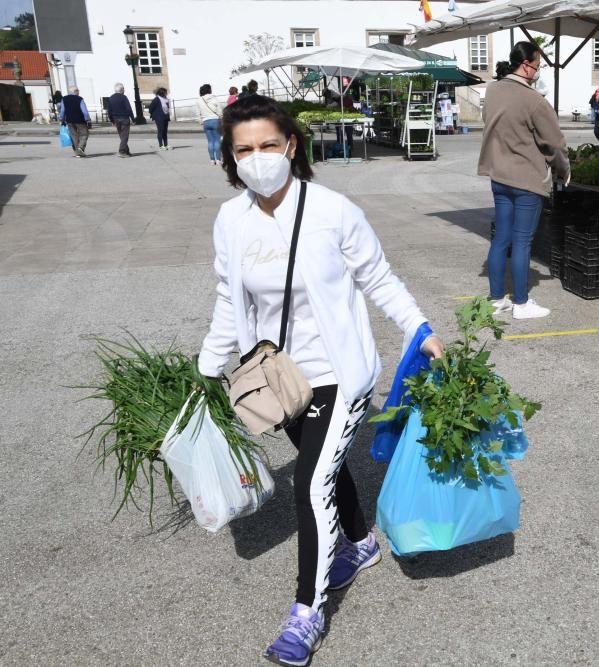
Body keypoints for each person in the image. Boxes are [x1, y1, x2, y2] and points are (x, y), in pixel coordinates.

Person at [197, 96, 444, 667]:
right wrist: (209, 365)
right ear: (230, 159)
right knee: (322, 469)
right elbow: (226, 300)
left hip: (338, 372)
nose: (258, 158)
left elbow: (377, 277)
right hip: (278, 379)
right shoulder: (231, 220)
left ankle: (306, 611)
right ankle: (358, 544)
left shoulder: (333, 210)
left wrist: (419, 328)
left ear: (290, 145)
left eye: (267, 145)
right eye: (243, 150)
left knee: (309, 485)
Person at [479, 41, 570, 320]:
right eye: (538, 65)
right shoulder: (534, 100)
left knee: (501, 239)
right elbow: (554, 144)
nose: (538, 70)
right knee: (521, 242)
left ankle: (496, 300)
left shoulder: (492, 90)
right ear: (527, 66)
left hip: (498, 174)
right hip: (526, 179)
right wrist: (563, 170)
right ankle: (521, 303)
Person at [59, 86, 91, 158]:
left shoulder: (64, 99)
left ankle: (77, 153)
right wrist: (88, 120)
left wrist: (62, 119)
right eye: (78, 91)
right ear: (75, 91)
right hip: (80, 120)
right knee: (84, 134)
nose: (79, 92)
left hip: (69, 120)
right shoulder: (79, 99)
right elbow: (84, 111)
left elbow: (62, 111)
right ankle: (81, 148)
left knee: (74, 136)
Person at [196, 83, 224, 165]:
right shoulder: (214, 99)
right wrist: (221, 118)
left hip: (206, 122)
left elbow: (198, 113)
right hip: (215, 120)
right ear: (209, 90)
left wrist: (200, 120)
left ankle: (212, 160)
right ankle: (218, 160)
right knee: (217, 141)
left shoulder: (199, 100)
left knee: (210, 141)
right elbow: (220, 111)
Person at [108, 83, 135, 157]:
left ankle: (127, 151)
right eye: (124, 89)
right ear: (121, 90)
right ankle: (122, 151)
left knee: (122, 136)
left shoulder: (111, 98)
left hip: (116, 119)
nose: (124, 90)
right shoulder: (124, 97)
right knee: (125, 136)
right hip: (124, 118)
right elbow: (129, 109)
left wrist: (112, 121)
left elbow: (109, 111)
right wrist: (133, 119)